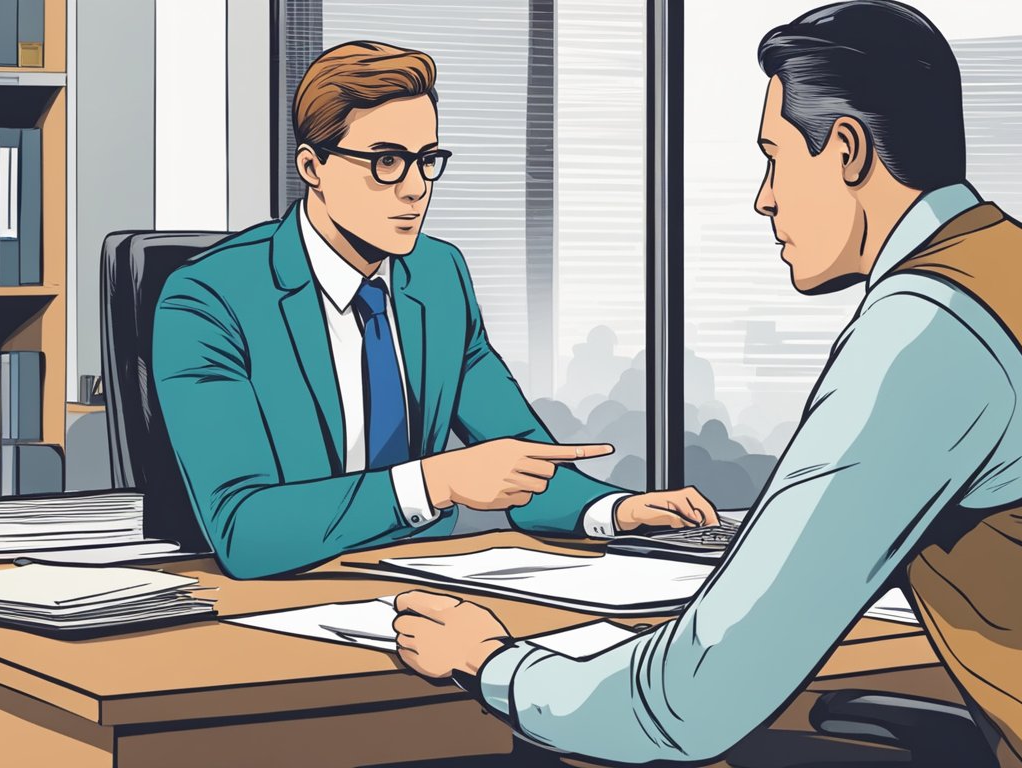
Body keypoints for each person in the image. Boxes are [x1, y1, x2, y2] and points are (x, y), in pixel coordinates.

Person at [388, 4, 1022, 766]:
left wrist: (494, 662)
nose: (764, 199)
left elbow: (687, 705)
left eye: (775, 160)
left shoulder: (930, 331)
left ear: (849, 150)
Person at [153, 41, 716, 581]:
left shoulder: (439, 276)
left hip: (431, 582)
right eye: (386, 162)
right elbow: (243, 528)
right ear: (312, 166)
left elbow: (518, 451)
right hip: (284, 594)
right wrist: (434, 482)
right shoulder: (207, 300)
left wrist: (617, 511)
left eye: (427, 161)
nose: (415, 189)